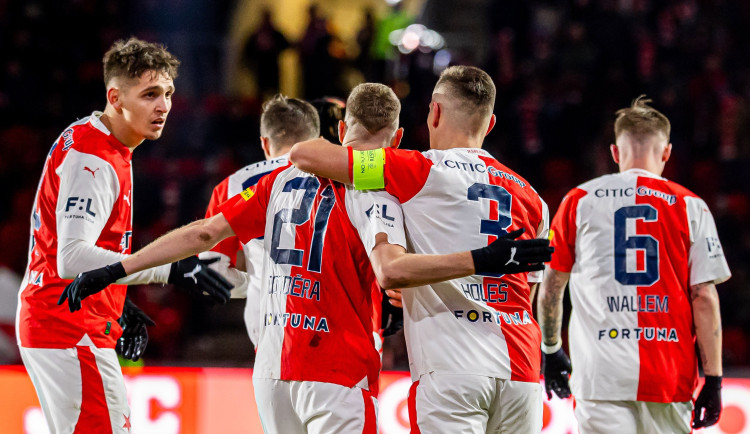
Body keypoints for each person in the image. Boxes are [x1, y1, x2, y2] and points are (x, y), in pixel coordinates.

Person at [63, 82, 550, 433]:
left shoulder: (276, 181)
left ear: (341, 129)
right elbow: (392, 270)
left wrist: (115, 269)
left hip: (274, 367)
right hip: (339, 371)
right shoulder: (378, 192)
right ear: (397, 140)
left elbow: (204, 232)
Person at [289, 66, 552, 433]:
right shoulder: (534, 198)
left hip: (453, 369)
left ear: (435, 112)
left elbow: (305, 156)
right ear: (489, 124)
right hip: (522, 371)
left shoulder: (412, 169)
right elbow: (528, 292)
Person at [18, 38, 231, 434]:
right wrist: (166, 271)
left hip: (69, 319)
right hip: (67, 326)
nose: (164, 105)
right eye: (150, 94)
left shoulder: (101, 139)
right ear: (115, 97)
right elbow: (71, 257)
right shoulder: (94, 159)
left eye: (167, 93)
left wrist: (116, 300)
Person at [537, 96, 730, 433]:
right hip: (669, 375)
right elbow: (704, 297)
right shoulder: (691, 205)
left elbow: (552, 285)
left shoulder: (578, 199)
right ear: (667, 152)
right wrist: (713, 379)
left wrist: (551, 350)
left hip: (601, 374)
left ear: (614, 152)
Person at [203, 94, 320, 348]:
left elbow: (212, 279)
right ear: (317, 140)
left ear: (265, 143)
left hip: (269, 325)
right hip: (328, 321)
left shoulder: (232, 186)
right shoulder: (341, 177)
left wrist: (259, 281)